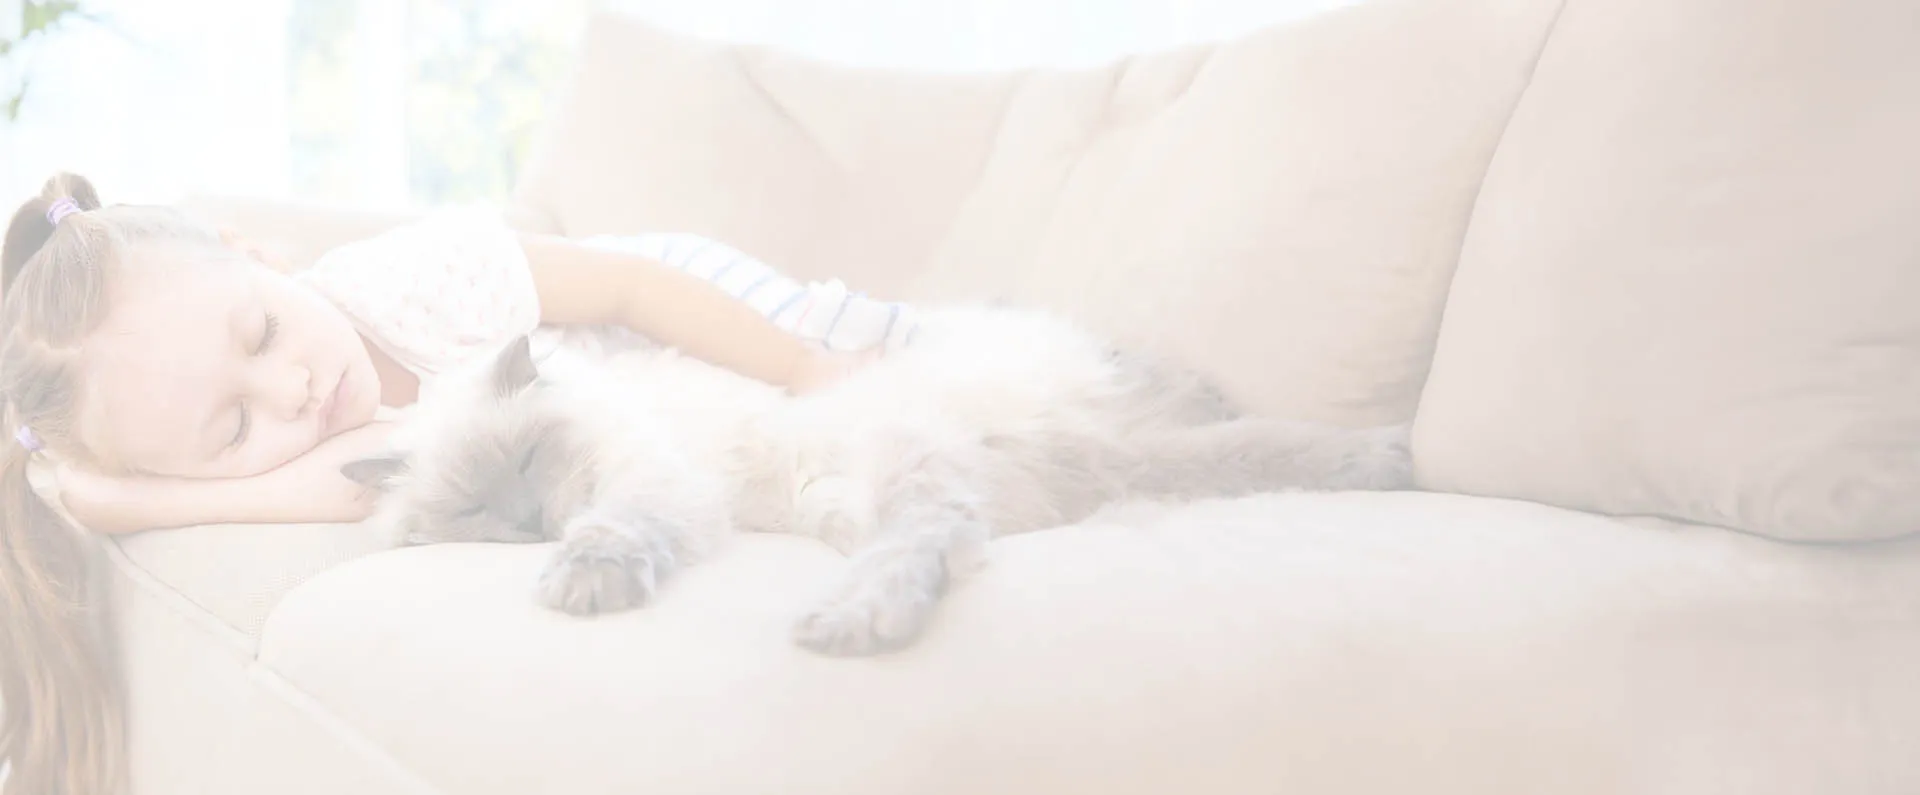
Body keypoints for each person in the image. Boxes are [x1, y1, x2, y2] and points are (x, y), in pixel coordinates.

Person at [0, 172, 916, 795]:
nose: (297, 390)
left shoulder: (412, 279)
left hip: (727, 314)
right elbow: (347, 489)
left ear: (262, 261)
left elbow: (633, 286)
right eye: (233, 427)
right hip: (681, 423)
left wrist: (805, 365)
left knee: (919, 375)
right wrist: (131, 500)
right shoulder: (333, 450)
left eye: (264, 332)